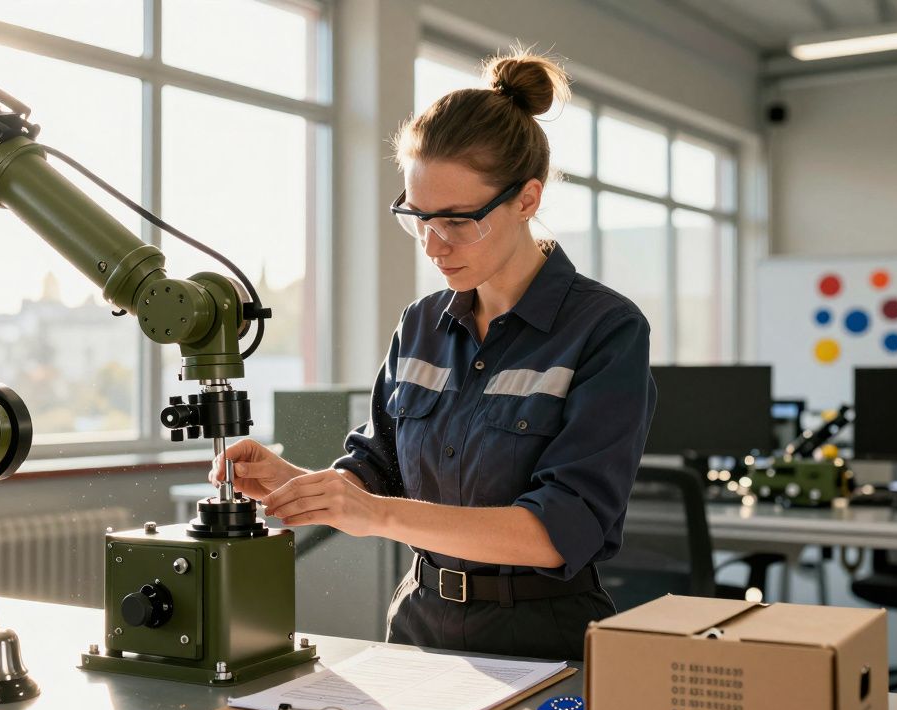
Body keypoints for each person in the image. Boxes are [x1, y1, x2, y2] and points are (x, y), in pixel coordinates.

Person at [210, 49, 656, 662]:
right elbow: (379, 465)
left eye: (458, 220)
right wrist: (303, 486)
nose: (433, 244)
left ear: (528, 199)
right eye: (418, 217)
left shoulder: (605, 329)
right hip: (419, 627)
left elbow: (559, 531)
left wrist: (377, 515)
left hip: (543, 640)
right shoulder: (421, 324)